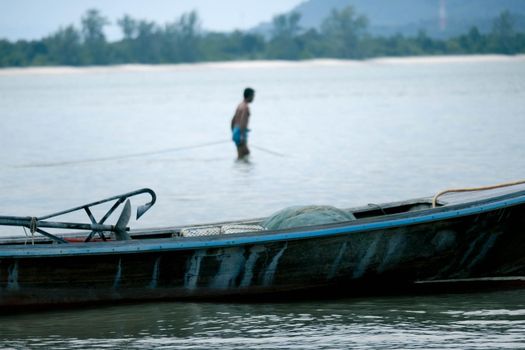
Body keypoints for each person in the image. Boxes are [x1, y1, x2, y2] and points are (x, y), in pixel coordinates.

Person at [231, 87, 255, 160]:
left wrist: (233, 132)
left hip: (235, 130)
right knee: (245, 154)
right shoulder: (246, 107)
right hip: (241, 132)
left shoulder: (240, 105)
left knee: (241, 155)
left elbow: (233, 120)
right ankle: (243, 170)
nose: (253, 98)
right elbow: (243, 121)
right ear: (250, 96)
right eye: (253, 96)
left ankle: (238, 169)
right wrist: (241, 135)